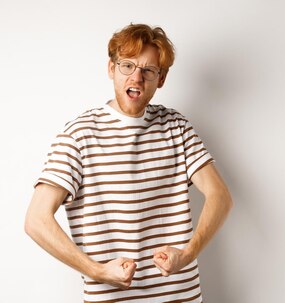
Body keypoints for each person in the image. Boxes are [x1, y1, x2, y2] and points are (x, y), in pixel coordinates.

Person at [24, 23, 233, 303]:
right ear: (111, 69)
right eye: (127, 66)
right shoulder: (79, 134)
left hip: (180, 297)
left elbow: (220, 196)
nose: (137, 77)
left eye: (148, 70)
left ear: (161, 79)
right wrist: (97, 271)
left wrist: (187, 254)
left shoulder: (176, 127)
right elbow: (36, 220)